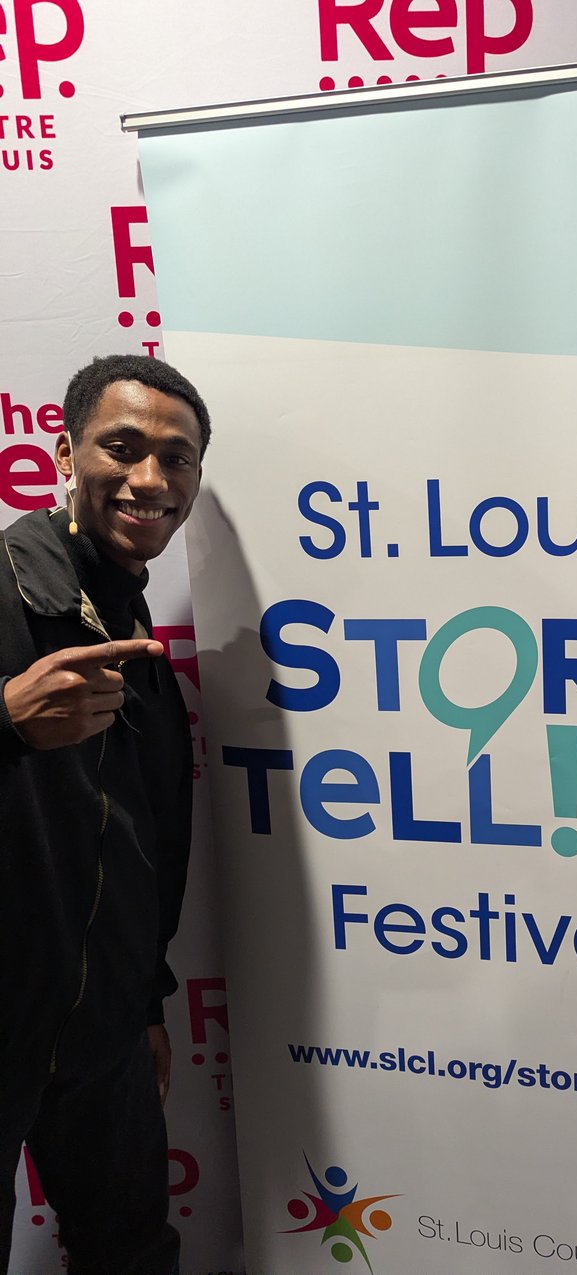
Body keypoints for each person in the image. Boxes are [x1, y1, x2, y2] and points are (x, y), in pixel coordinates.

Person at [0, 354, 210, 1275]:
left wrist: (147, 999)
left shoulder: (141, 645)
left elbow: (145, 850)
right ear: (65, 450)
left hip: (107, 1036)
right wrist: (2, 720)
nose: (151, 480)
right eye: (122, 447)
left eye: (178, 458)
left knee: (131, 1254)